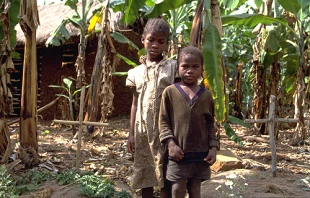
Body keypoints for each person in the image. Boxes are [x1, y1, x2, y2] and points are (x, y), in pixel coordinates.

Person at [126, 18, 178, 198]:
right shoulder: (135, 73)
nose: (155, 45)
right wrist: (131, 133)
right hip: (142, 132)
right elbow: (134, 104)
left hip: (165, 130)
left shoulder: (173, 68)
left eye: (161, 41)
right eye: (151, 39)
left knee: (165, 170)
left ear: (166, 44)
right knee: (144, 170)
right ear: (143, 39)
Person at [159, 46, 220, 198]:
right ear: (178, 68)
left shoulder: (206, 96)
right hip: (179, 153)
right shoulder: (170, 92)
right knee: (177, 190)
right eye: (185, 66)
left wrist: (213, 147)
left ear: (201, 69)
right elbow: (164, 121)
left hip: (201, 153)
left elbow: (210, 124)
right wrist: (171, 144)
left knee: (195, 190)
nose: (190, 70)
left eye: (195, 67)